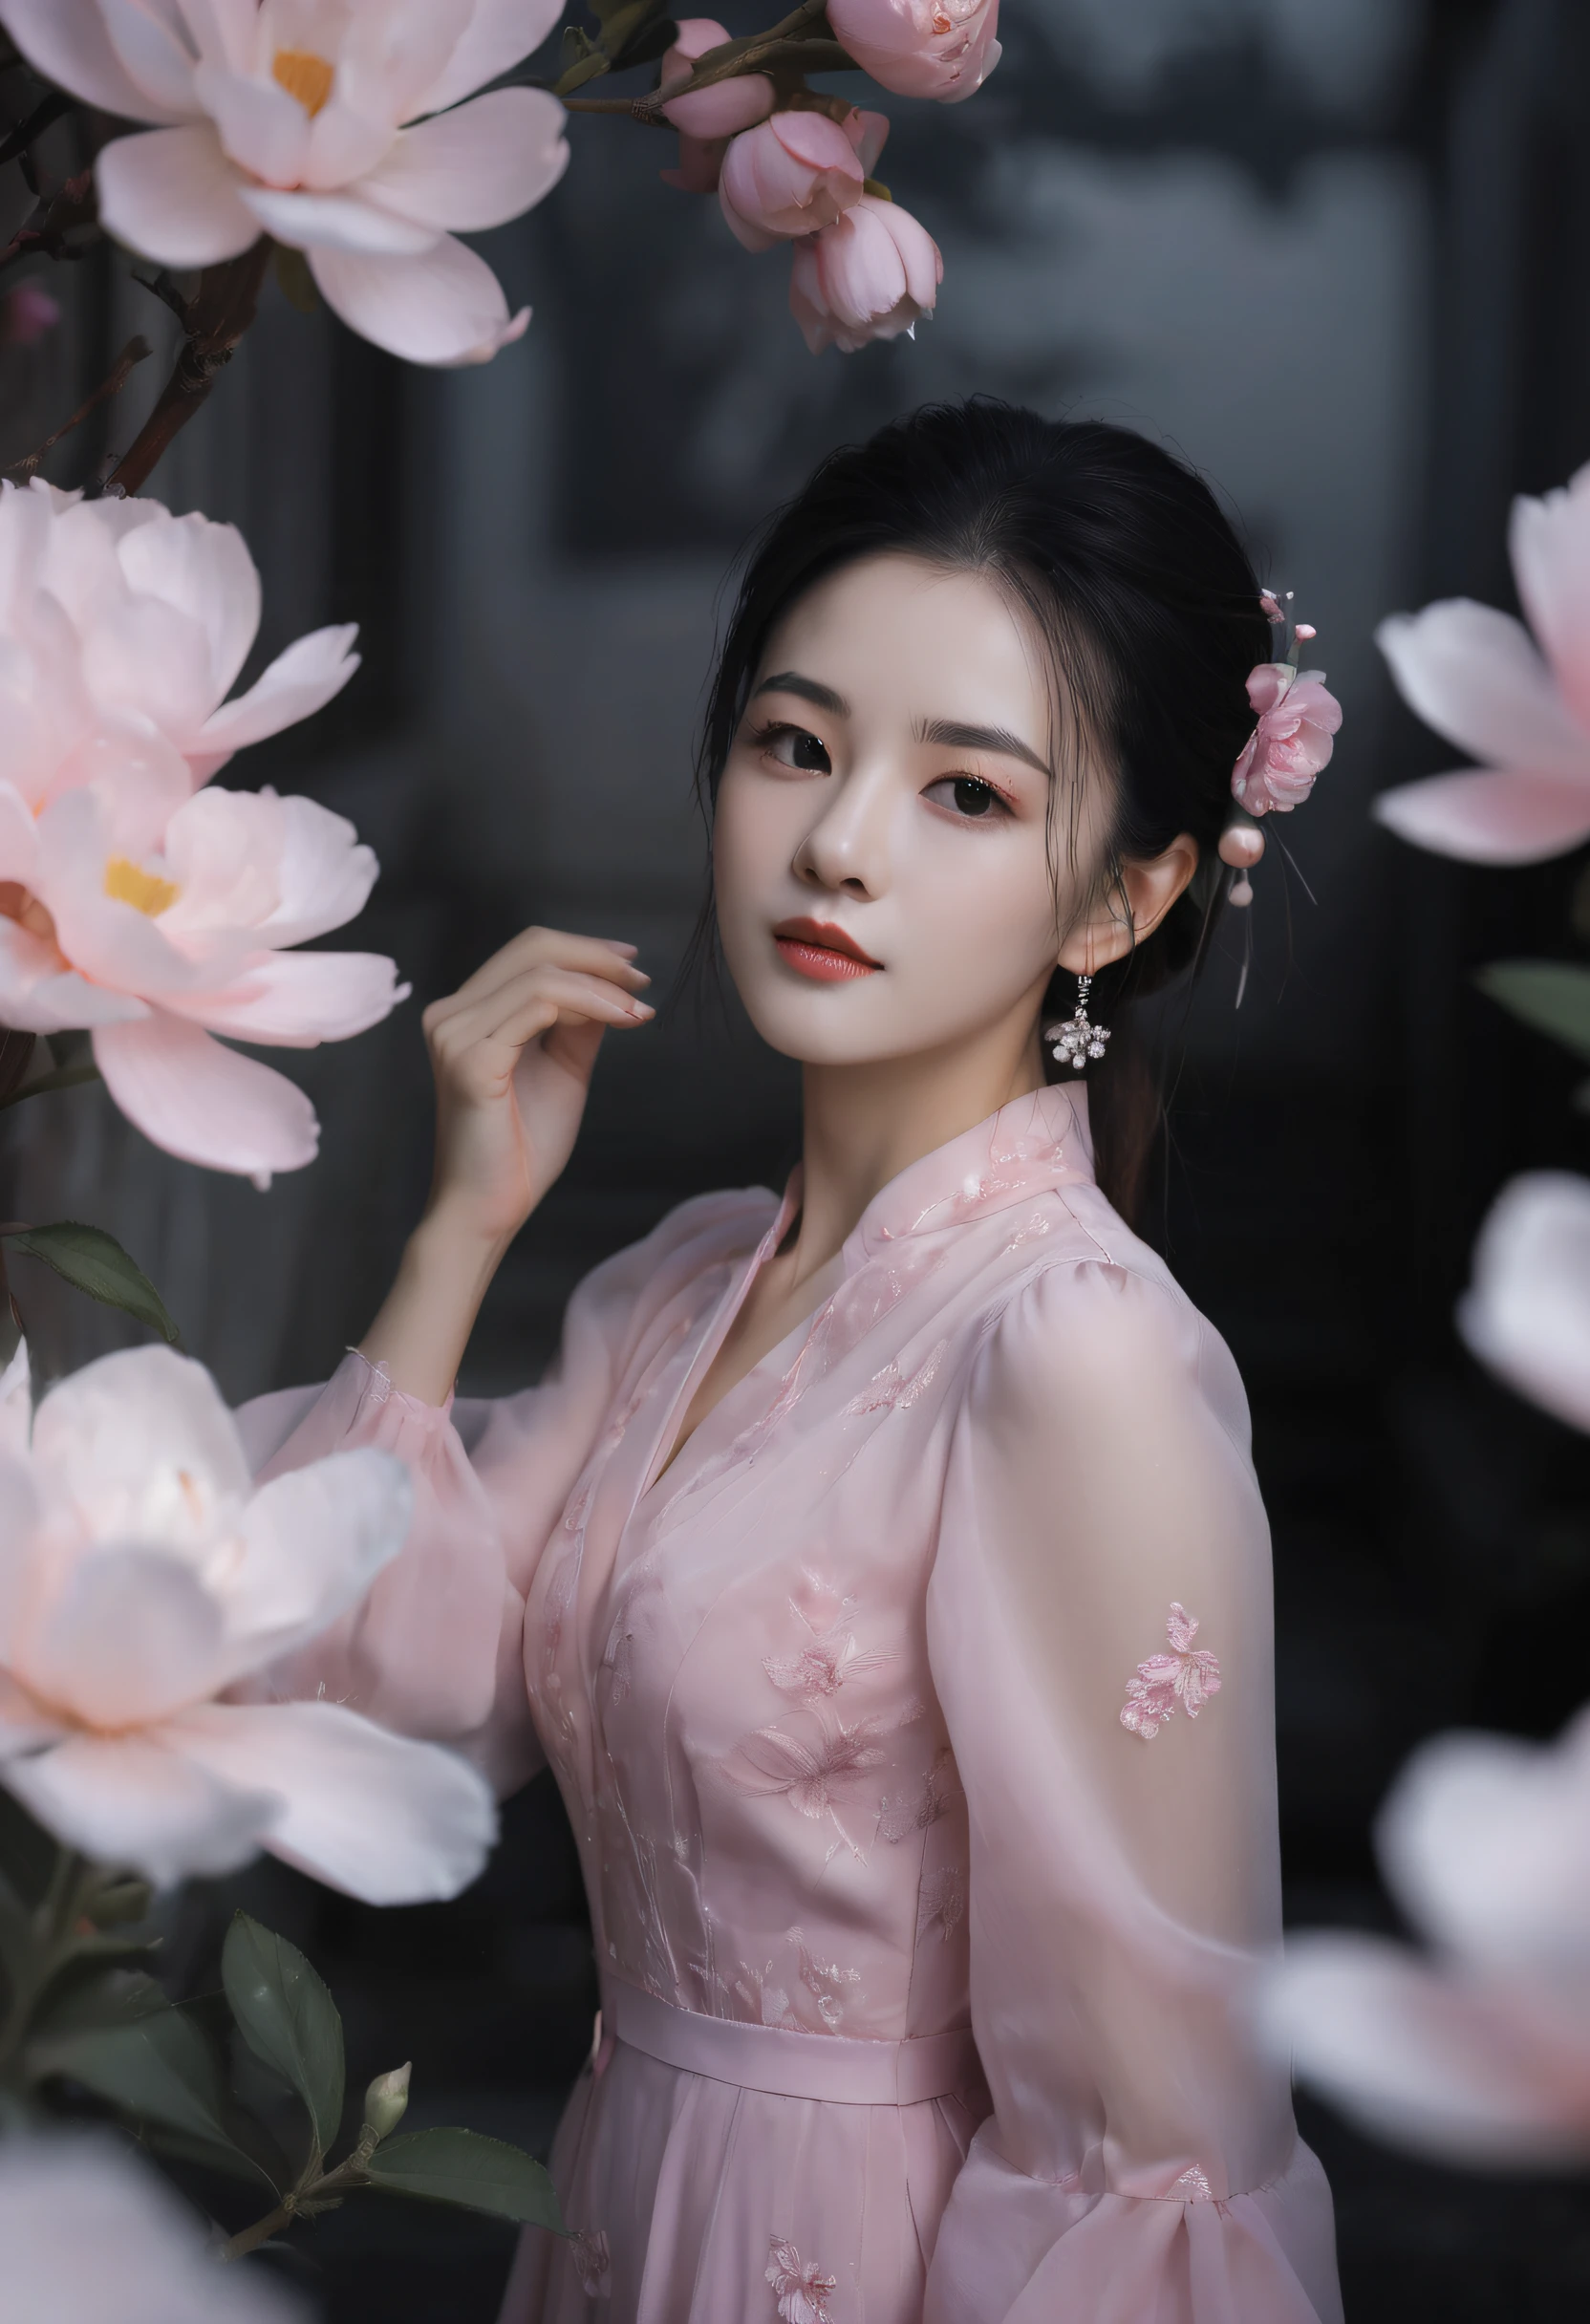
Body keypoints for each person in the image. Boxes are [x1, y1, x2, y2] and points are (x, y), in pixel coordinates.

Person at [242, 400, 1343, 2324]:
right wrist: (459, 1235)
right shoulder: (679, 1292)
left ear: (1123, 897)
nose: (834, 843)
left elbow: (1147, 2144)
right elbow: (365, 1713)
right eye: (794, 743)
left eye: (966, 794)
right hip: (615, 2217)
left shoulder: (1067, 1357)